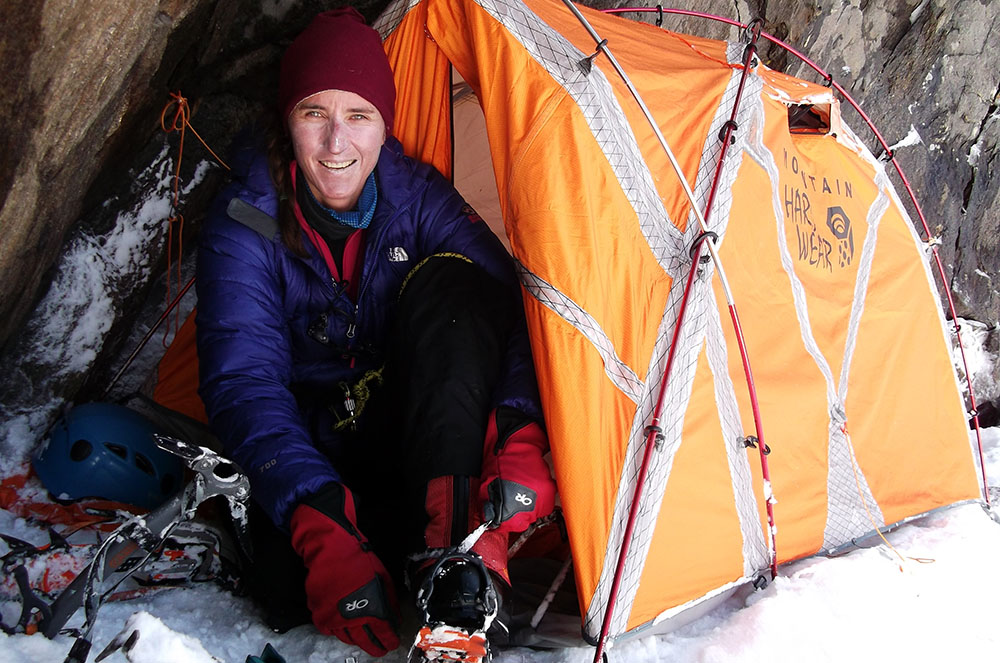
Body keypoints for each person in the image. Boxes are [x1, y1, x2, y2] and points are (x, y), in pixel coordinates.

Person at [195, 8, 556, 658]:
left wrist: (521, 438)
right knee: (282, 589)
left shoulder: (416, 196)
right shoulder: (243, 222)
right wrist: (320, 526)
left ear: (384, 123)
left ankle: (458, 551)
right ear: (288, 118)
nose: (337, 143)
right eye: (315, 113)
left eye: (358, 115)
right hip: (319, 454)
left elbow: (515, 314)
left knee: (458, 287)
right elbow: (245, 383)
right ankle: (371, 549)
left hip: (421, 443)